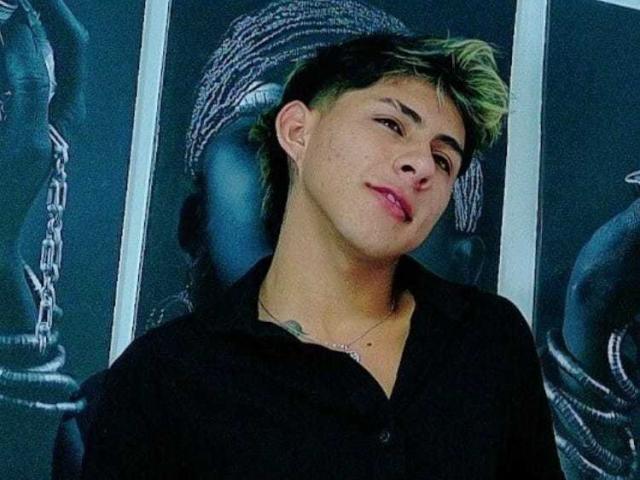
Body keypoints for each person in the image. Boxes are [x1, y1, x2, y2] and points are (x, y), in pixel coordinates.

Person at [81, 33, 565, 479]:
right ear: (297, 131)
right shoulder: (163, 379)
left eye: (443, 160)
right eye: (391, 124)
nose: (420, 165)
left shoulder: (488, 339)